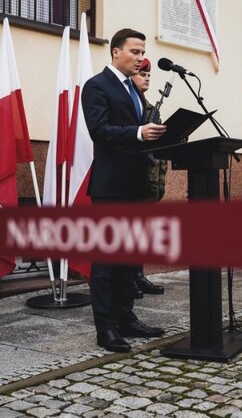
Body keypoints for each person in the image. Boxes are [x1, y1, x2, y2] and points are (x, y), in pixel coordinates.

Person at [81, 28, 167, 353]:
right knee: (106, 261)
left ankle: (126, 317)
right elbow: (99, 130)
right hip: (110, 188)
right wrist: (139, 133)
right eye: (135, 51)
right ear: (116, 52)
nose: (140, 58)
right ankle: (106, 329)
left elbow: (140, 133)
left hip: (135, 186)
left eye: (143, 52)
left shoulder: (135, 89)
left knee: (129, 260)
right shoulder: (96, 86)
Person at [129, 58, 167, 297]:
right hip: (133, 180)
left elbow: (161, 147)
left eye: (149, 75)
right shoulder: (128, 107)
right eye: (142, 74)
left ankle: (138, 276)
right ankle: (128, 279)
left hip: (151, 181)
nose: (146, 78)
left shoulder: (153, 109)